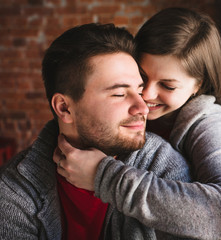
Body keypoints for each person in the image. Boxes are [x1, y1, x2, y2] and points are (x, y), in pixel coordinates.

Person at [0, 23, 192, 239]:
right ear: (65, 108)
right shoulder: (14, 190)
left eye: (139, 91)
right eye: (119, 94)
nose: (143, 107)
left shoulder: (160, 164)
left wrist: (104, 176)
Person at [56, 7, 221, 239]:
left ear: (198, 85)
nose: (146, 96)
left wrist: (103, 176)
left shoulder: (207, 124)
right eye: (141, 77)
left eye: (167, 86)